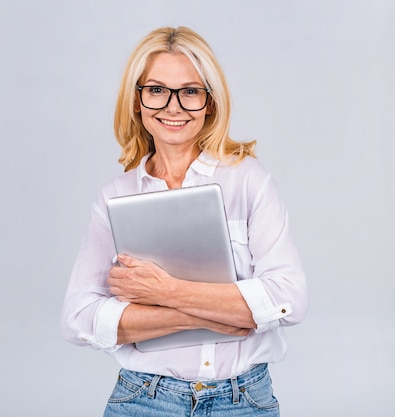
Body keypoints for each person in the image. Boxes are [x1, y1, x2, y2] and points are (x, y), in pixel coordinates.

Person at [61, 26, 308, 416]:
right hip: (143, 399)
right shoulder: (115, 197)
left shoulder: (248, 180)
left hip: (242, 401)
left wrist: (165, 290)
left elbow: (288, 300)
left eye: (190, 91)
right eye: (157, 90)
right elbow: (78, 318)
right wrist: (214, 315)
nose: (173, 107)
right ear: (137, 101)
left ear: (210, 103)